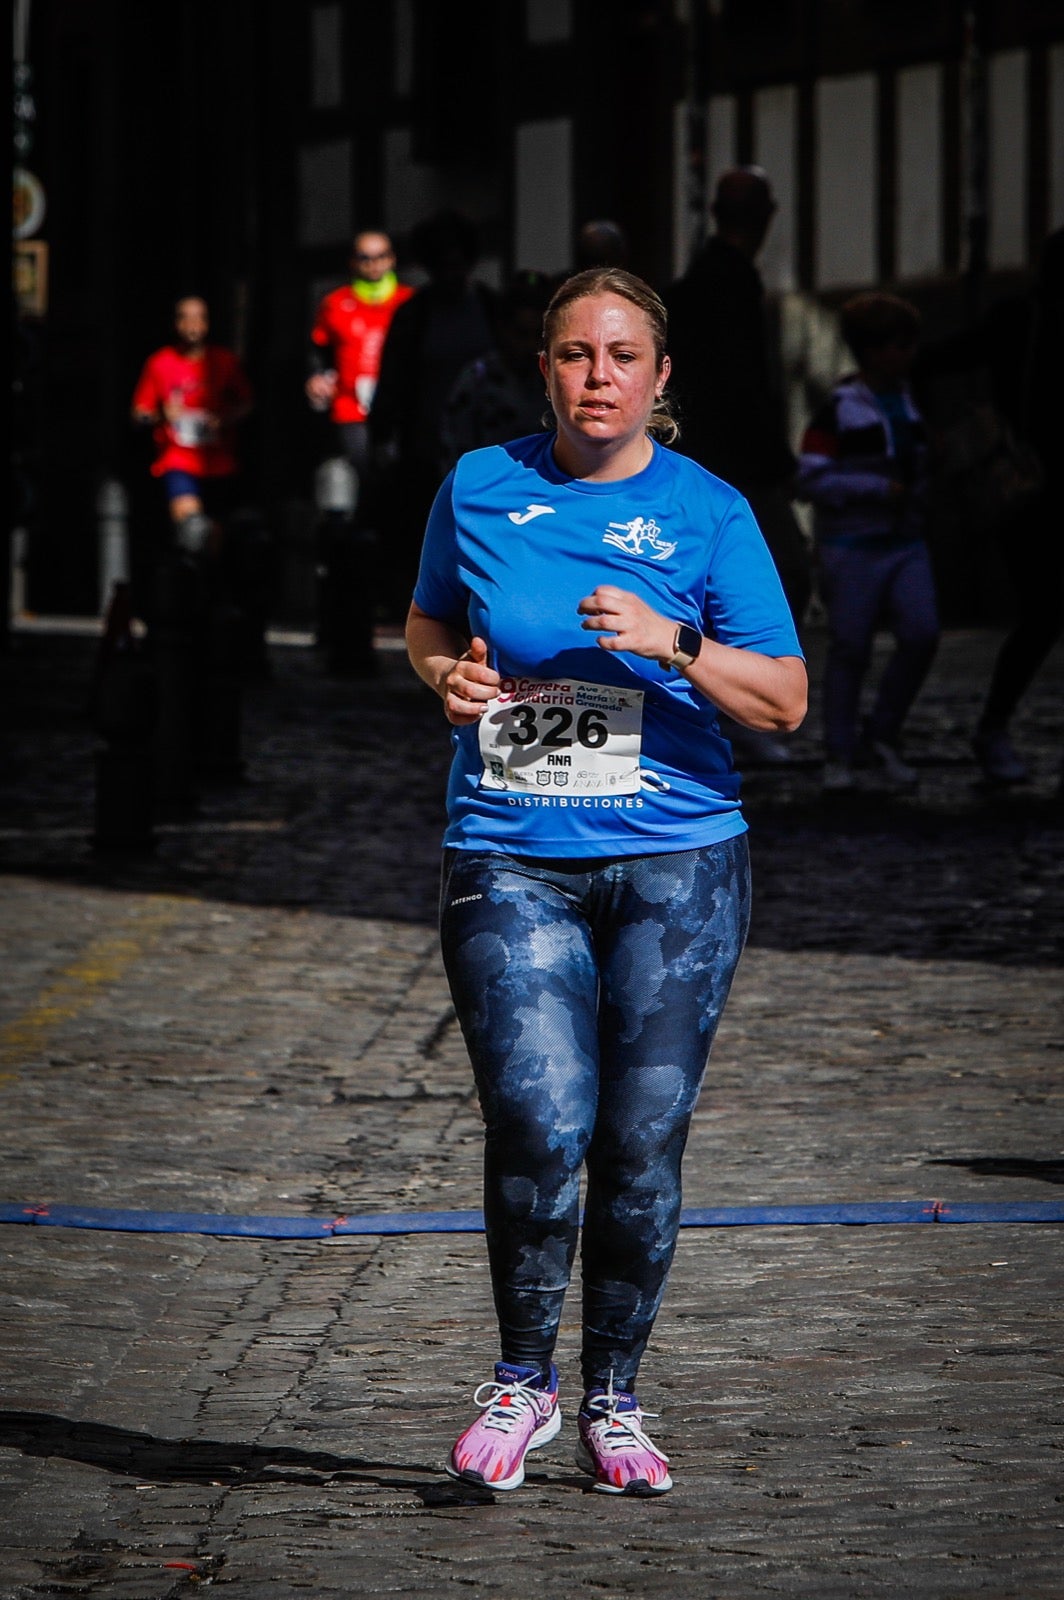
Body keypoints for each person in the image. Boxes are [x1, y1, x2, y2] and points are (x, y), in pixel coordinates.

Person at [406, 267, 806, 1496]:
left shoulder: (708, 510)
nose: (597, 377)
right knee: (538, 1116)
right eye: (575, 354)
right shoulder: (480, 484)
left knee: (638, 1139)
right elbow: (427, 624)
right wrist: (443, 679)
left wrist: (668, 640)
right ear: (543, 367)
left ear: (658, 374)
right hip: (510, 850)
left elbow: (783, 701)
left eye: (622, 356)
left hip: (677, 864)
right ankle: (520, 1381)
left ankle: (613, 1399)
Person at [914, 228, 1064, 785]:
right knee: (1043, 613)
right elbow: (931, 361)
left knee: (1042, 615)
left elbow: (931, 362)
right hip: (1027, 491)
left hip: (1028, 491)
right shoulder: (1020, 321)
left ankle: (994, 728)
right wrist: (934, 434)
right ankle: (993, 726)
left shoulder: (1017, 318)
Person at [796, 291, 940, 793]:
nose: (906, 354)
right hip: (851, 544)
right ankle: (839, 751)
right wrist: (878, 488)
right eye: (897, 345)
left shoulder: (911, 399)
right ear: (871, 350)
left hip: (904, 540)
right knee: (850, 648)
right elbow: (811, 477)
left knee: (922, 634)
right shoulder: (839, 409)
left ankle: (881, 736)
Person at [664, 168, 811, 640]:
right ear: (767, 216)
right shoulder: (731, 283)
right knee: (783, 571)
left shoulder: (701, 281)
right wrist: (778, 463)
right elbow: (743, 383)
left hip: (702, 451)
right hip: (739, 459)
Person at [370, 209, 497, 620]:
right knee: (427, 533)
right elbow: (392, 381)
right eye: (442, 264)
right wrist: (383, 439)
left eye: (457, 262)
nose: (451, 273)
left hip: (487, 444)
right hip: (426, 447)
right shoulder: (414, 315)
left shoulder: (490, 308)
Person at [131, 295, 253, 559]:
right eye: (185, 318)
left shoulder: (224, 361)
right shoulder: (160, 363)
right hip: (178, 460)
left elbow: (247, 403)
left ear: (207, 323)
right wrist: (161, 415)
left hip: (219, 462)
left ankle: (209, 580)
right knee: (191, 530)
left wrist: (226, 418)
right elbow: (139, 413)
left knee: (217, 539)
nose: (192, 325)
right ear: (176, 323)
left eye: (198, 318)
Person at [304, 229, 414, 482]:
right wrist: (315, 376)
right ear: (353, 261)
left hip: (400, 406)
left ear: (392, 258)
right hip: (352, 406)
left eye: (381, 256)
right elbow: (318, 349)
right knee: (363, 474)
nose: (374, 264)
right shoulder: (335, 303)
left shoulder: (409, 302)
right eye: (365, 257)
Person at [439, 271, 553, 470]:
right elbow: (454, 445)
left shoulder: (553, 379)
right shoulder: (478, 378)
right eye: (521, 334)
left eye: (538, 336)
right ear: (502, 329)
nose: (530, 346)